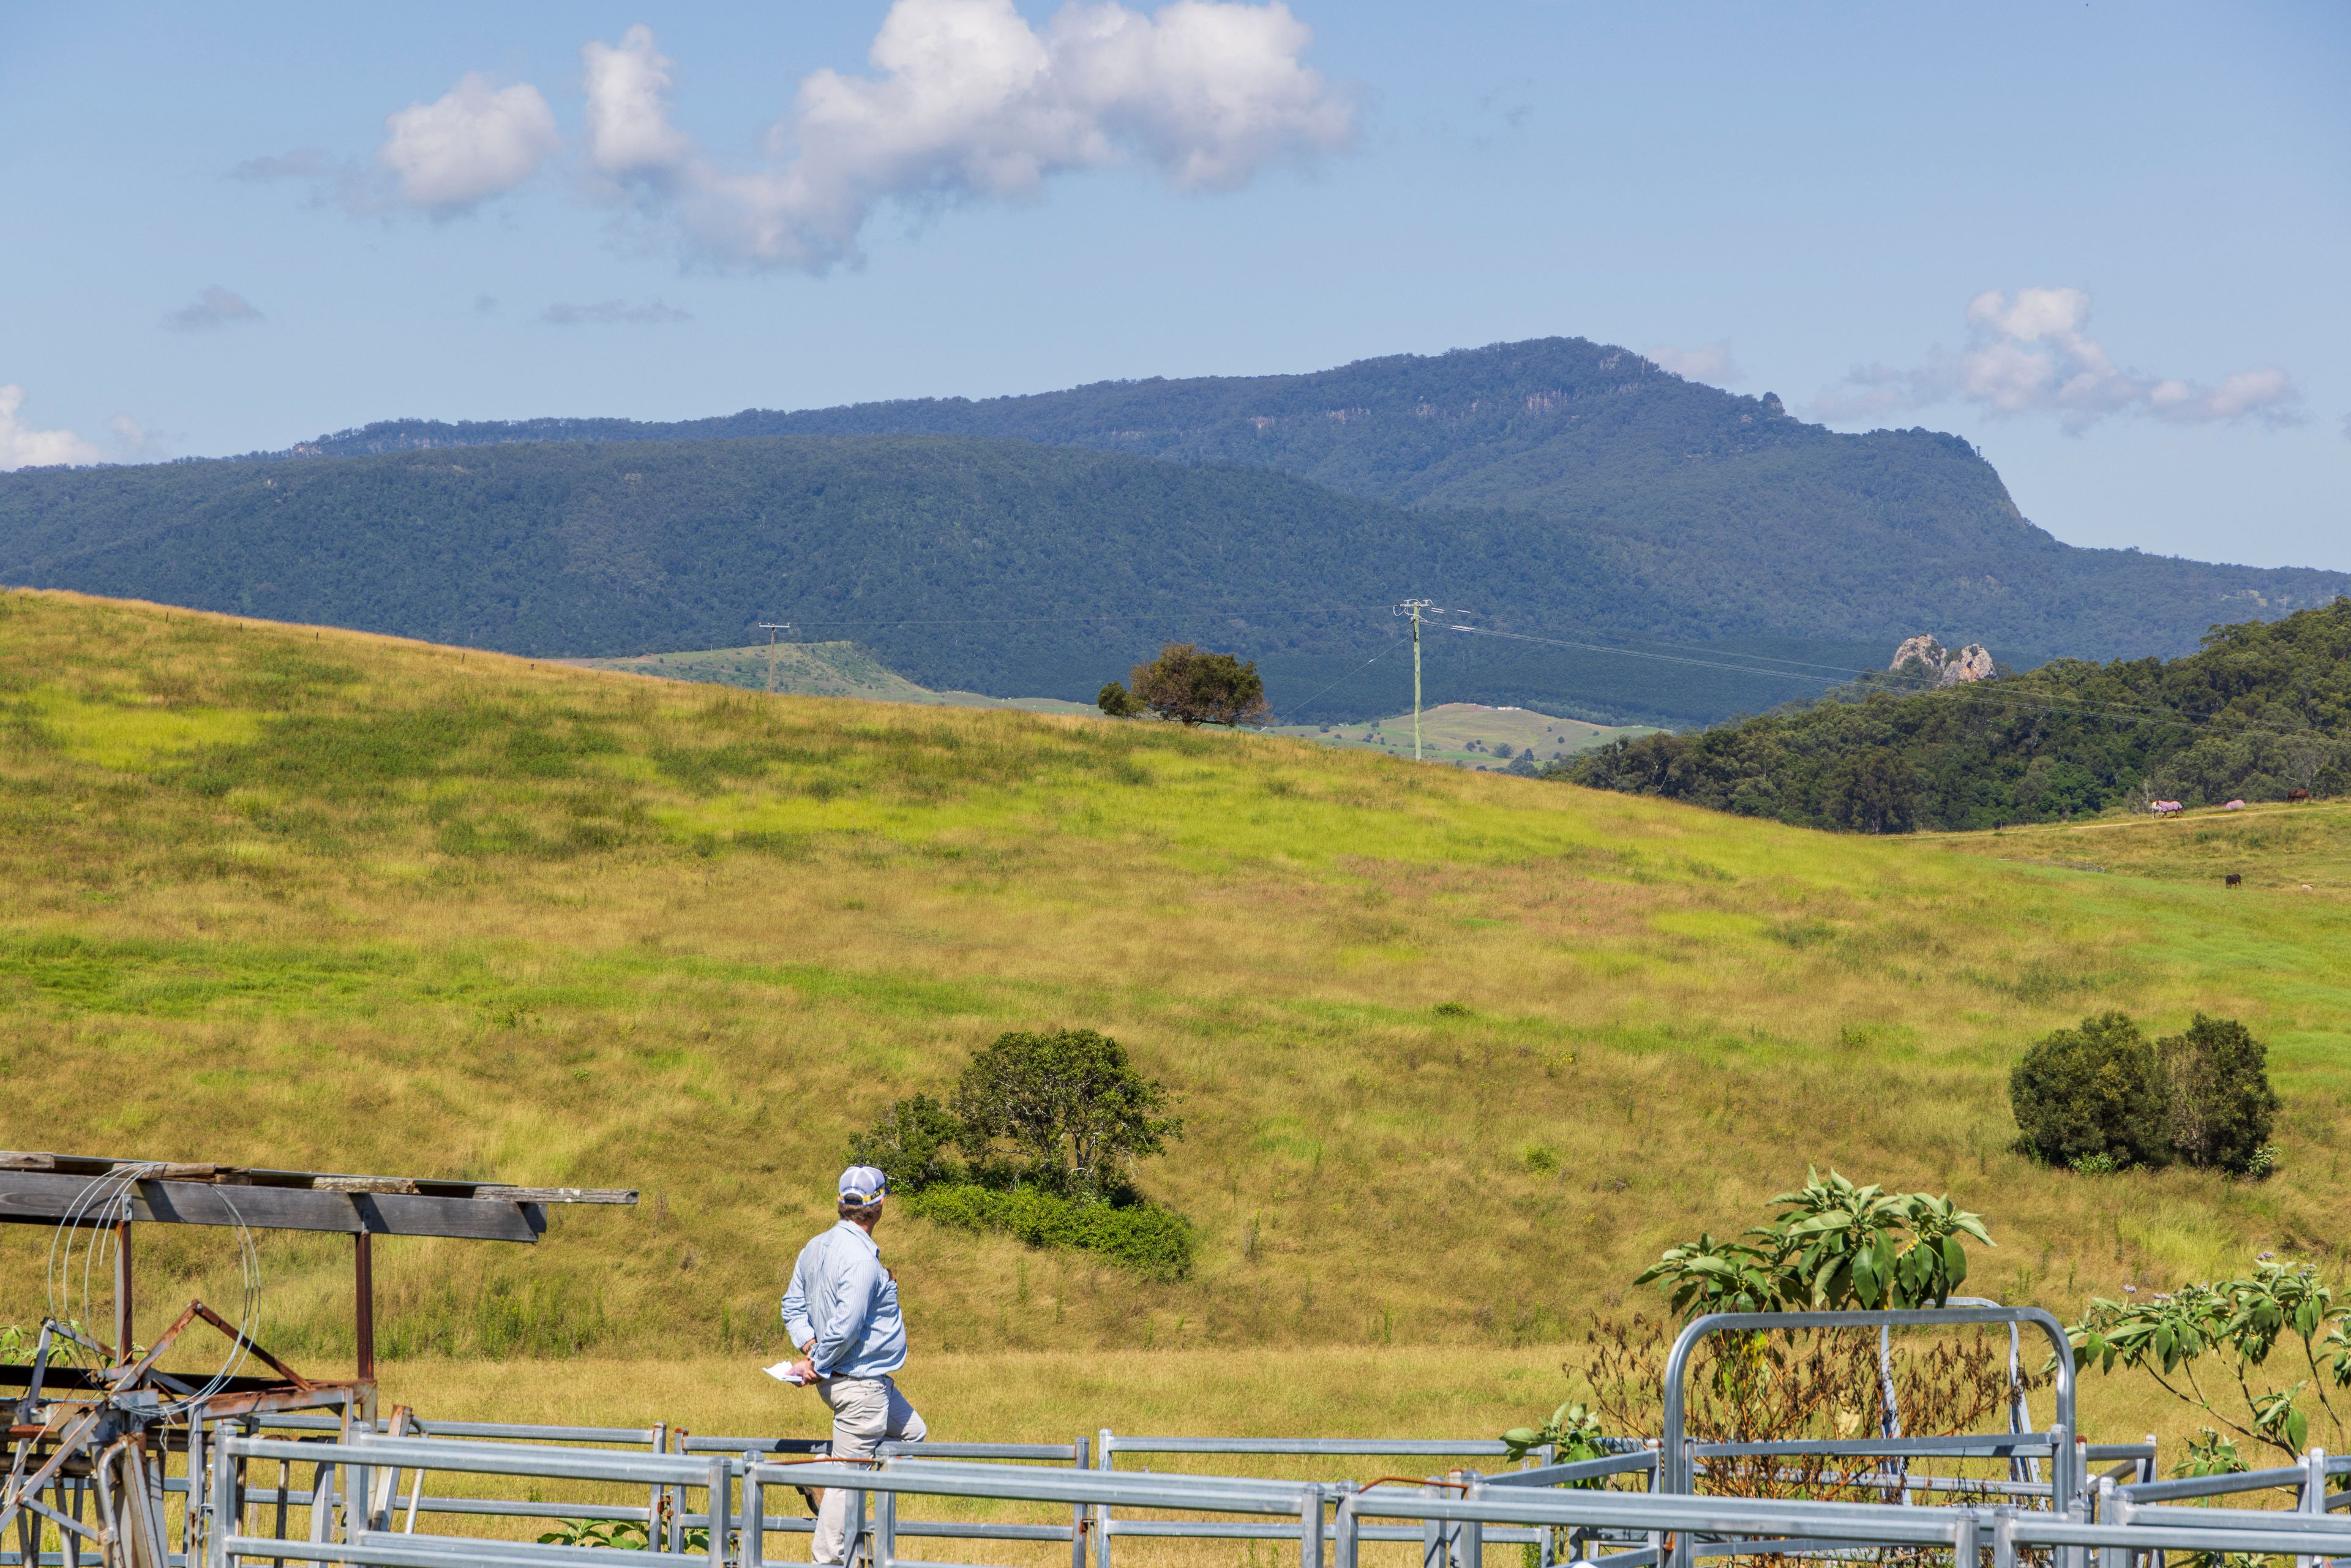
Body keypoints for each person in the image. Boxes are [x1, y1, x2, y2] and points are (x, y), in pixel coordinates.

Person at [781, 1165, 928, 1565]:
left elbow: (792, 1305)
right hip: (860, 1384)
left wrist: (811, 1345)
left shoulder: (815, 1246)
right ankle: (827, 1560)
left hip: (867, 1382)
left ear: (840, 1203)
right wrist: (817, 1360)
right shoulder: (862, 1258)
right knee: (848, 1481)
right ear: (879, 1204)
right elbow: (846, 1325)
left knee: (913, 1433)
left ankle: (825, 1470)